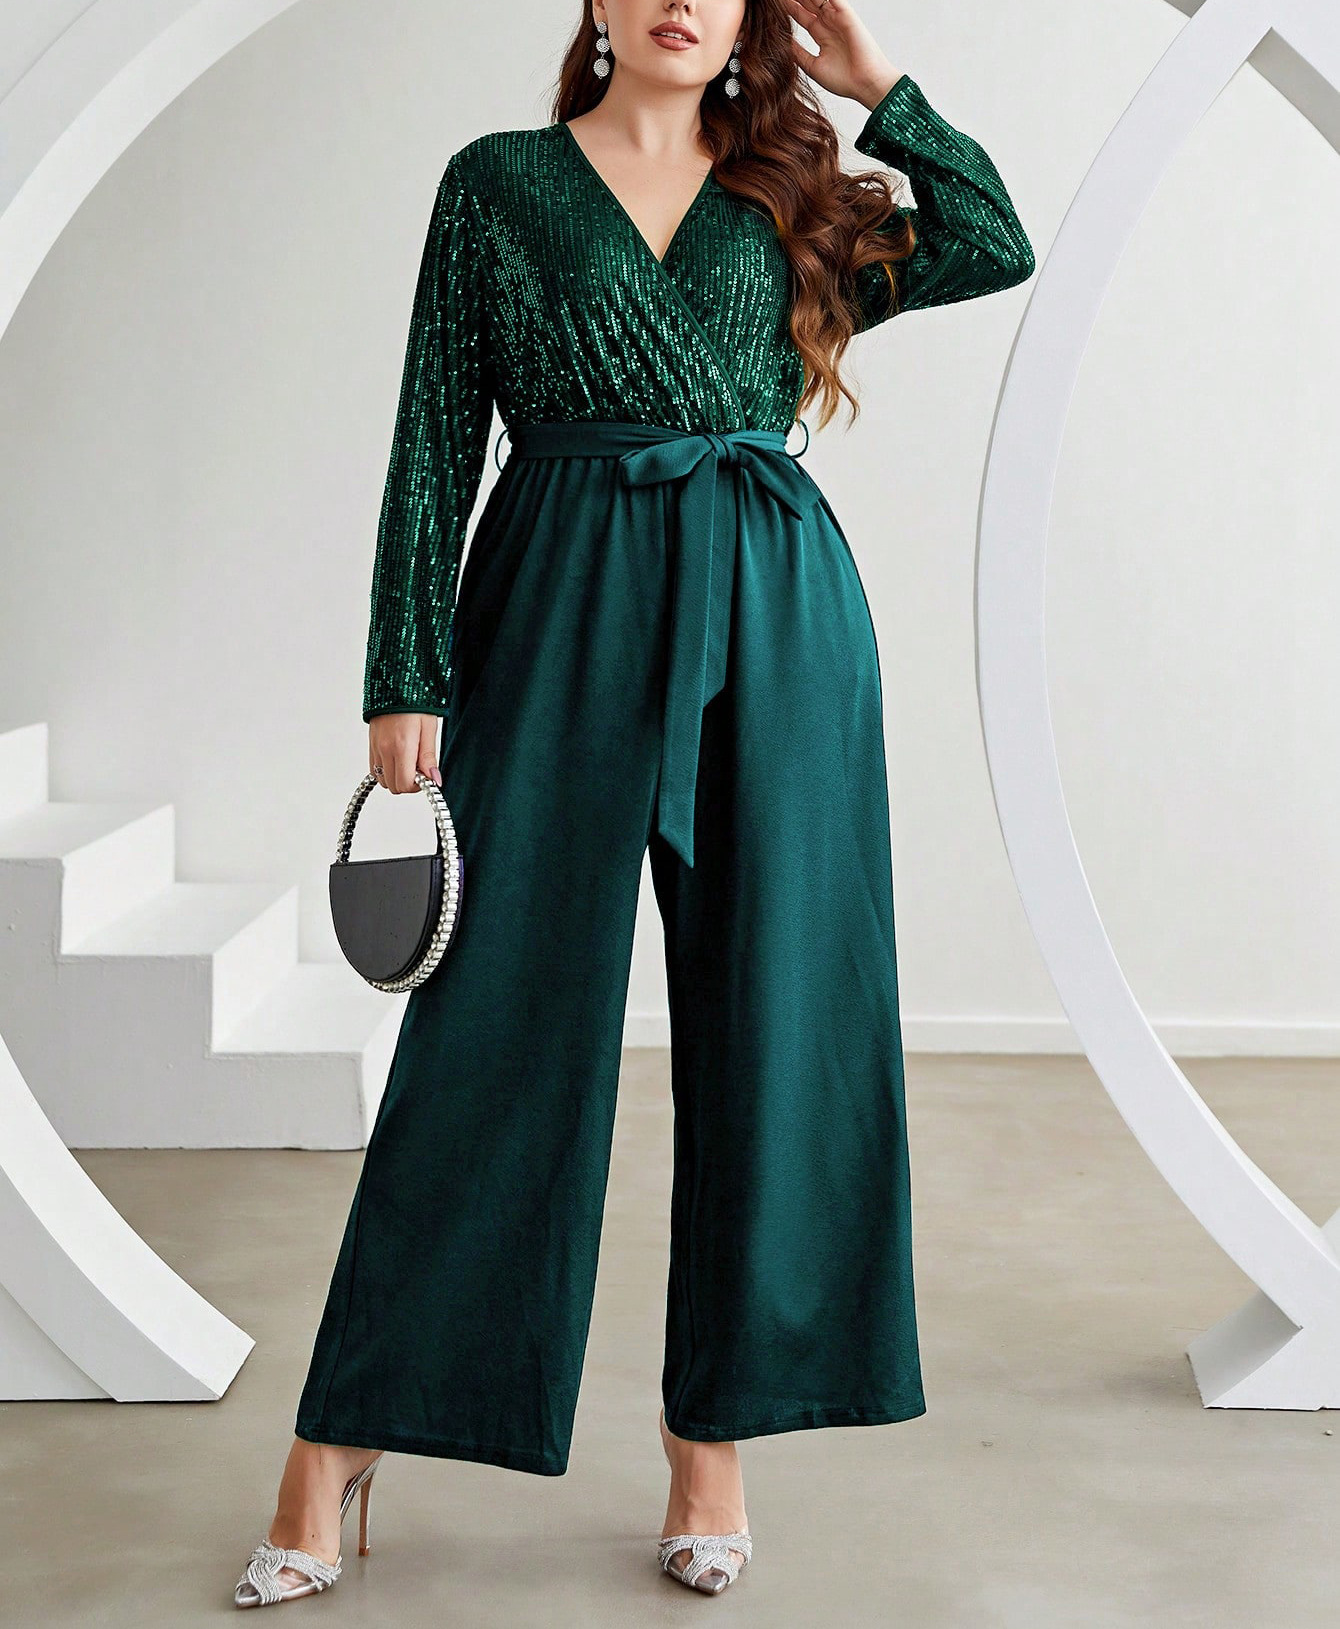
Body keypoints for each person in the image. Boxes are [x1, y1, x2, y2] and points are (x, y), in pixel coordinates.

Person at [233, 0, 1034, 1608]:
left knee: (776, 1021)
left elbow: (991, 242)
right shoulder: (501, 184)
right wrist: (405, 666)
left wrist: (878, 87)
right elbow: (434, 431)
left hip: (777, 610)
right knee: (493, 1023)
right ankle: (343, 1435)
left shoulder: (787, 190)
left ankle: (711, 1441)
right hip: (561, 598)